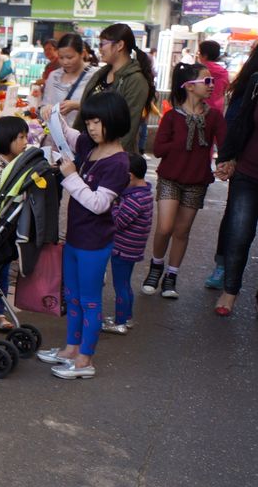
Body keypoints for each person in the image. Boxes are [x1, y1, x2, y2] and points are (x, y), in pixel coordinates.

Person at [38, 90, 133, 379]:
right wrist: (52, 115)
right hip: (76, 238)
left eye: (96, 122)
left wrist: (71, 176)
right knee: (73, 297)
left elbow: (98, 204)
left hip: (94, 243)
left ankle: (84, 360)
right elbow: (67, 133)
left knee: (90, 301)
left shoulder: (118, 163)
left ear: (113, 122)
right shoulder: (90, 146)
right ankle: (70, 349)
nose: (90, 128)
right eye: (89, 121)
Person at [138, 62, 227, 299]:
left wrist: (226, 163)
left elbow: (224, 145)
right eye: (206, 81)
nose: (211, 86)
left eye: (212, 81)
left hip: (197, 181)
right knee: (165, 227)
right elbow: (158, 149)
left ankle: (172, 275)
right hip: (170, 179)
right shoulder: (171, 117)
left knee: (182, 230)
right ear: (189, 86)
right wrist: (180, 142)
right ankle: (156, 266)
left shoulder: (215, 116)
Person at [212, 56, 258, 316]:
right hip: (248, 172)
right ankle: (230, 291)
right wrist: (228, 157)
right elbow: (241, 123)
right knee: (239, 233)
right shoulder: (256, 82)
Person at [79, 23, 157, 155]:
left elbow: (128, 130)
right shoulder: (100, 74)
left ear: (119, 45)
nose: (99, 49)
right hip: (89, 152)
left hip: (111, 157)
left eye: (102, 44)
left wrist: (106, 157)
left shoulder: (136, 81)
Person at [0, 115, 29, 330]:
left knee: (3, 272)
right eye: (21, 137)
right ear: (6, 139)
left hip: (7, 230)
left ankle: (0, 312)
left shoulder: (15, 163)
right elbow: (8, 190)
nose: (25, 142)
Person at [102, 154, 153, 335]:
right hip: (132, 248)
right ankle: (126, 317)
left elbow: (119, 221)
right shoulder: (143, 193)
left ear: (129, 176)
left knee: (121, 286)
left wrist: (113, 203)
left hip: (124, 249)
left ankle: (120, 322)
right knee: (125, 284)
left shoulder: (134, 199)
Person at [41, 33, 94, 125]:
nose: (65, 62)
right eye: (61, 57)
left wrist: (77, 105)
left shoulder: (95, 76)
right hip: (55, 135)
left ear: (82, 53)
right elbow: (44, 105)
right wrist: (45, 110)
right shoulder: (54, 76)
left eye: (70, 57)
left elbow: (104, 109)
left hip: (81, 135)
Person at [197, 40, 229, 116]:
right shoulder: (224, 72)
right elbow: (225, 89)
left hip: (199, 110)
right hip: (217, 110)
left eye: (199, 53)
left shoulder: (198, 70)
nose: (198, 55)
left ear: (204, 56)